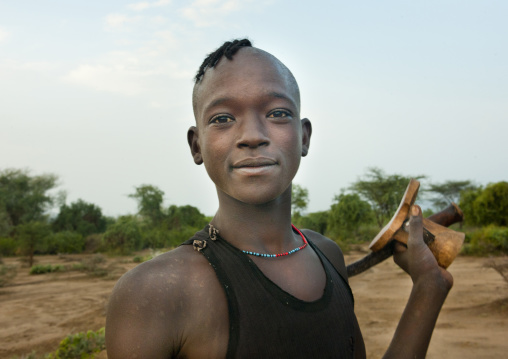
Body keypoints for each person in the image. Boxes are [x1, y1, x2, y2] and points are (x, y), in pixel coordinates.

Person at [105, 39, 453, 358]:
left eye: (277, 113)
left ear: (303, 137)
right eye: (223, 118)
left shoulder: (327, 255)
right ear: (197, 145)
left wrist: (429, 286)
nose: (252, 136)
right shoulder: (156, 292)